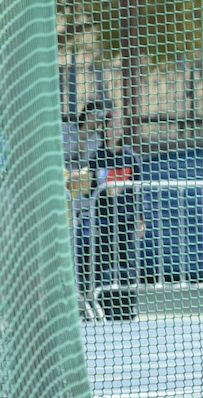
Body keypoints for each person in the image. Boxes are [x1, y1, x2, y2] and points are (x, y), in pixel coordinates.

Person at [73, 102, 141, 318]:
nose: (116, 130)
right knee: (102, 263)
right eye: (113, 125)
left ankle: (128, 308)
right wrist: (101, 190)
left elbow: (140, 192)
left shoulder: (131, 158)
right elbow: (88, 189)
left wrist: (141, 218)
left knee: (127, 264)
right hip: (103, 221)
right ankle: (105, 308)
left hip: (126, 221)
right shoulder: (97, 157)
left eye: (120, 126)